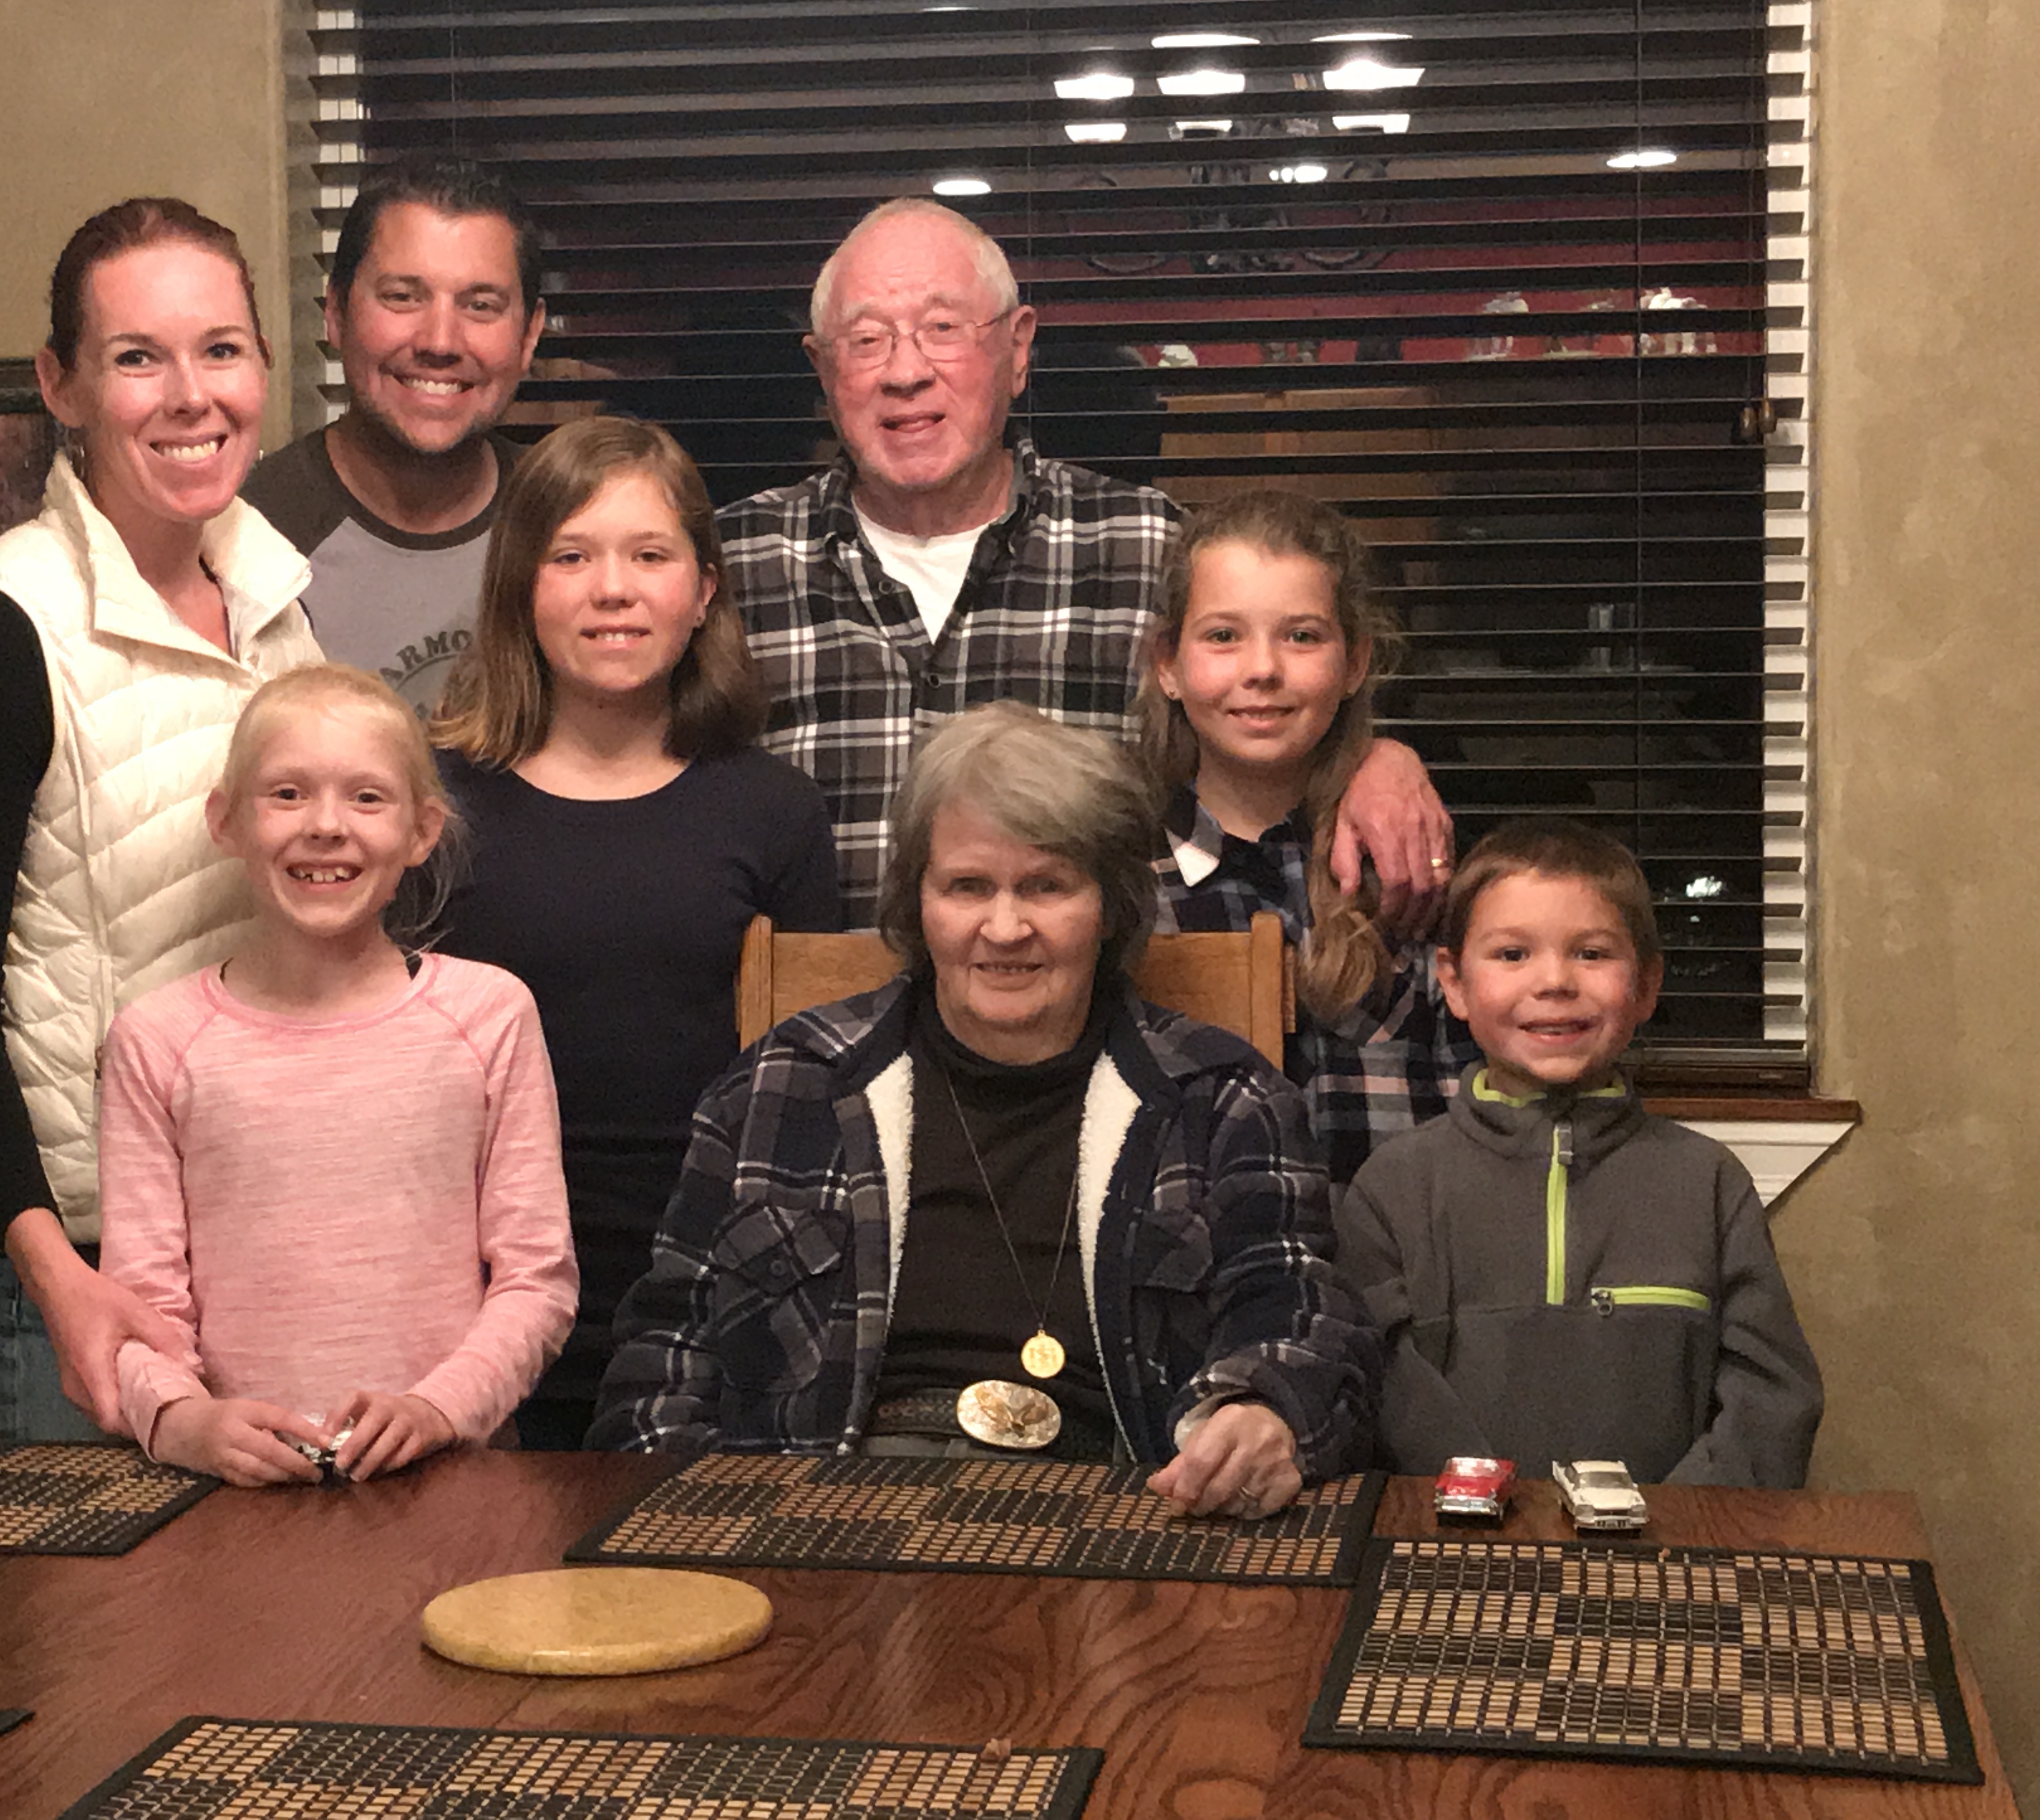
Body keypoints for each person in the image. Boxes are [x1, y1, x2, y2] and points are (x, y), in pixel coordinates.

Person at [590, 702, 1379, 1518]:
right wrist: (689, 1533)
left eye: (1046, 886)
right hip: (813, 1521)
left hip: (1126, 1513)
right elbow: (663, 1361)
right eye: (968, 887)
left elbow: (1301, 1309)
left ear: (1110, 906)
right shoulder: (782, 1085)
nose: (1005, 929)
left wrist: (1264, 1408)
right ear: (917, 903)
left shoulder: (1224, 1098)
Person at [0, 198, 324, 1440]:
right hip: (72, 1280)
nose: (191, 396)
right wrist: (54, 1277)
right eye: (139, 357)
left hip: (250, 1241)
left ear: (263, 367)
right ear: (62, 384)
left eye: (220, 350)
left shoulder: (278, 607)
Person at [719, 196, 1452, 924]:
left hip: (1103, 1001)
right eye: (866, 339)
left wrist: (1377, 763)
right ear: (822, 367)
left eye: (942, 329)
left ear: (1018, 349)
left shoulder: (1151, 550)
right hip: (799, 1002)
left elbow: (1285, 713)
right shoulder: (729, 568)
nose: (905, 371)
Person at [431, 416, 841, 1448]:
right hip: (466, 1312)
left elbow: (815, 1103)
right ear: (518, 587)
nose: (612, 589)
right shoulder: (430, 806)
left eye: (650, 555)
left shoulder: (775, 811)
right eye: (570, 556)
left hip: (709, 1309)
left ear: (703, 591)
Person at [96, 666, 576, 1486]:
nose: (326, 826)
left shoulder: (491, 1016)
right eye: (287, 794)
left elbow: (538, 1281)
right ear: (226, 821)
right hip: (233, 1496)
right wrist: (182, 1419)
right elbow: (141, 1305)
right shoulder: (156, 1040)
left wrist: (439, 1408)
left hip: (450, 1487)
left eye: (367, 798)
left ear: (422, 831)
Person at [1335, 818, 1823, 1486]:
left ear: (1646, 986)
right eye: (1513, 954)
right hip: (1452, 1539)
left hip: (1673, 1544)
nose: (1555, 981)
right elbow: (1379, 1391)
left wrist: (1669, 1525)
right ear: (1454, 982)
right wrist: (1489, 1514)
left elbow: (1771, 1402)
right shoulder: (1394, 1187)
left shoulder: (1708, 1183)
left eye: (1591, 954)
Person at [1144, 491, 1476, 1185]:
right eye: (1223, 636)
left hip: (1390, 1248)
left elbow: (1482, 1130)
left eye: (1301, 636)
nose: (1262, 669)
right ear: (1167, 665)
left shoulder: (1408, 867)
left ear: (1355, 663)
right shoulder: (1123, 883)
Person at [241, 155, 545, 711]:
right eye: (403, 297)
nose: (440, 341)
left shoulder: (568, 523)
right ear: (336, 313)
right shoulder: (247, 539)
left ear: (529, 335)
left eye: (481, 306)